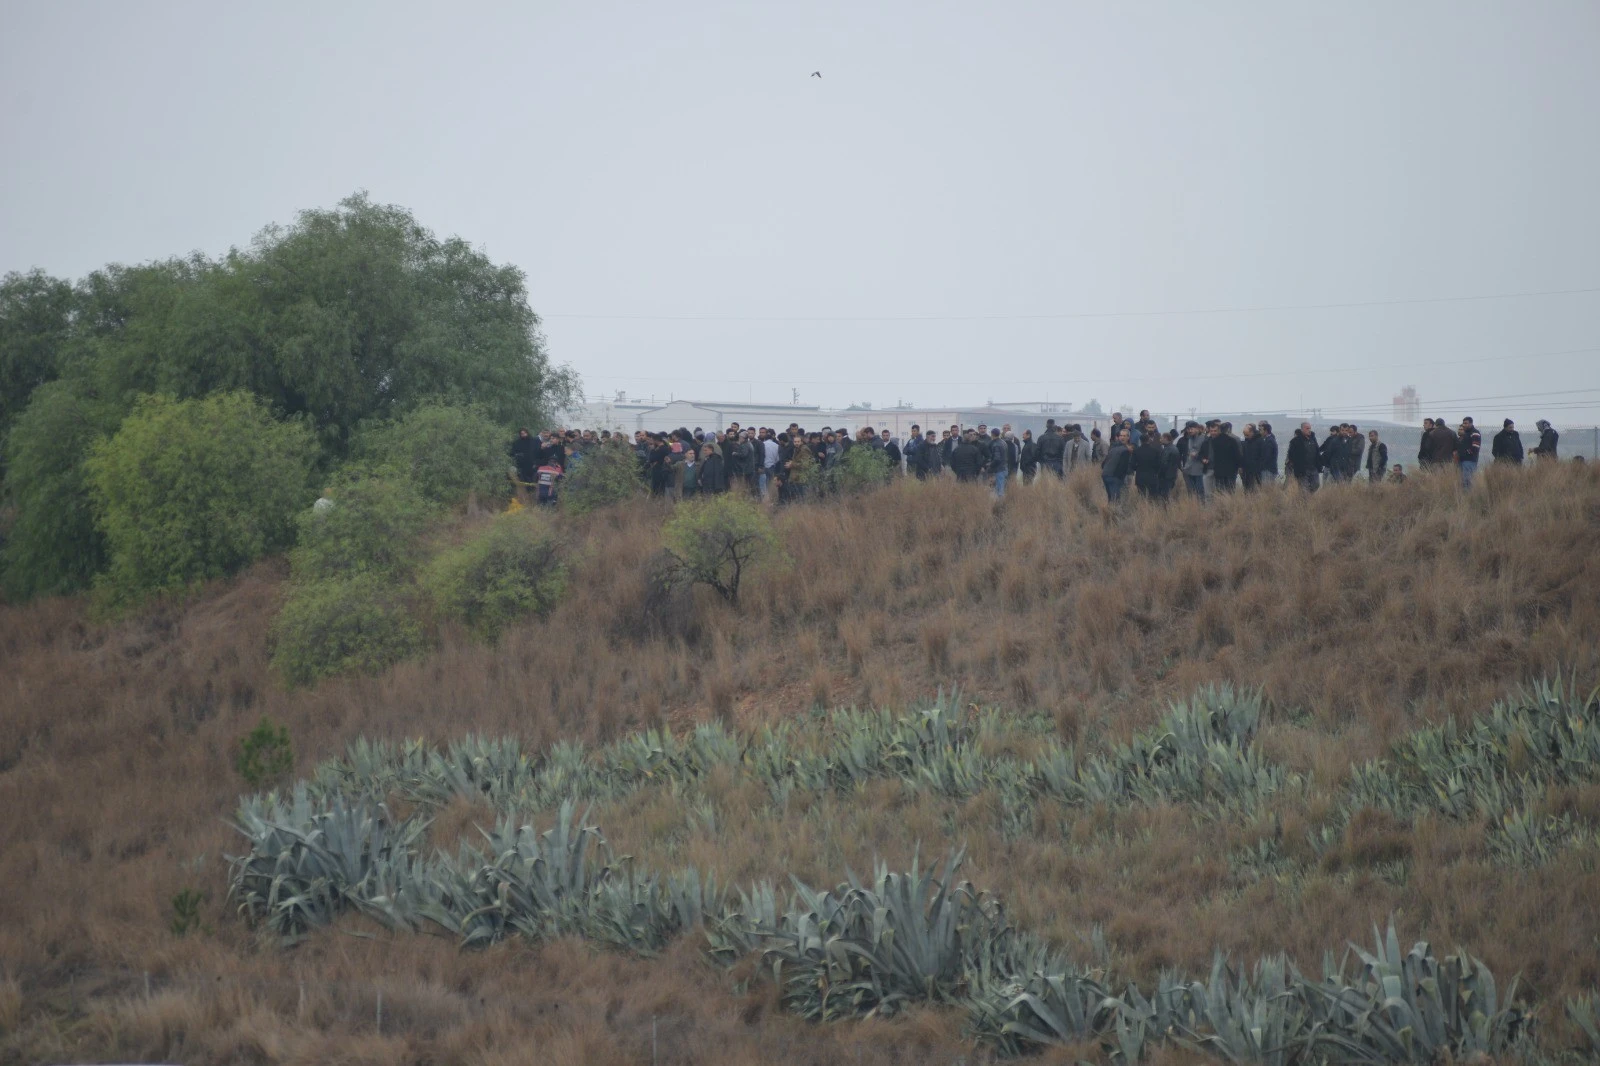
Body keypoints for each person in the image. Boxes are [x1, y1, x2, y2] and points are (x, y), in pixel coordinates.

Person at [1285, 422, 1320, 492]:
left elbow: (1317, 451)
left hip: (1313, 467)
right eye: (1307, 428)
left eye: (1310, 428)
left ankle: (1308, 497)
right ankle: (1304, 501)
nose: (1309, 430)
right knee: (1304, 489)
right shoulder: (1295, 441)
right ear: (1302, 429)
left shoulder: (1313, 439)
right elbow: (1291, 455)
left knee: (1316, 485)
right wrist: (1296, 465)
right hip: (1302, 469)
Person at [1208, 421, 1242, 493]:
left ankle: (1221, 503)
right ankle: (1229, 504)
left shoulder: (1214, 441)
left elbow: (1211, 456)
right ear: (1229, 429)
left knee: (1220, 491)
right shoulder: (1232, 440)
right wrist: (1239, 466)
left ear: (1220, 430)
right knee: (1230, 491)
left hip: (1218, 470)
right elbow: (1237, 455)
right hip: (1231, 470)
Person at [1101, 428, 1133, 501]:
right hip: (1114, 477)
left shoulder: (1113, 448)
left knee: (1110, 499)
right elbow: (1123, 467)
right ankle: (1113, 512)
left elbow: (1103, 464)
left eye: (1125, 436)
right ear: (1119, 437)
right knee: (1116, 500)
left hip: (1105, 475)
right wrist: (1120, 479)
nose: (1122, 437)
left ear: (1128, 437)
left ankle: (1108, 512)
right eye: (1121, 435)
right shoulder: (1125, 451)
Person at [1178, 421, 1207, 499]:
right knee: (1191, 493)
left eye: (1191, 429)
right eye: (1188, 429)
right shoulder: (1189, 439)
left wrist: (1197, 455)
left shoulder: (1204, 438)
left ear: (1197, 428)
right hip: (1188, 469)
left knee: (1200, 492)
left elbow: (1207, 453)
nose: (1189, 431)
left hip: (1199, 470)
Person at [1132, 429, 1163, 500]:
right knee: (1153, 497)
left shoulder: (1136, 451)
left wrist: (1138, 468)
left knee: (1142, 497)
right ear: (1149, 440)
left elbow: (1132, 465)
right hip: (1152, 477)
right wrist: (1155, 471)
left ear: (1140, 440)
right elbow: (1159, 464)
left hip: (1140, 477)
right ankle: (1152, 510)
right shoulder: (1155, 451)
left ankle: (1143, 509)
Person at [1456, 417, 1481, 489]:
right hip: (1462, 460)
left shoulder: (1475, 433)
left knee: (1468, 481)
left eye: (1466, 423)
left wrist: (1465, 453)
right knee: (1463, 481)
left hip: (1469, 460)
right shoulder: (1466, 433)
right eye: (1463, 423)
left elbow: (1475, 447)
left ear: (1471, 423)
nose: (1464, 425)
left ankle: (1469, 497)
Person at [1158, 431, 1181, 499]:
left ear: (1166, 438)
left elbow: (1164, 463)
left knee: (1164, 495)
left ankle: (1165, 509)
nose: (1160, 440)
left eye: (1161, 438)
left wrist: (1159, 474)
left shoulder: (1167, 449)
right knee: (1167, 494)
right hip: (1172, 475)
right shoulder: (1174, 448)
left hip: (1166, 476)